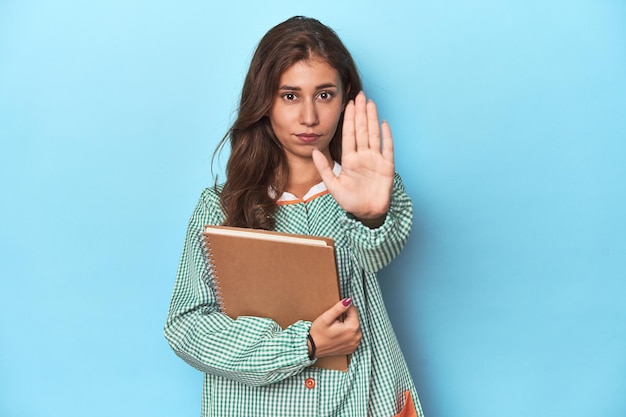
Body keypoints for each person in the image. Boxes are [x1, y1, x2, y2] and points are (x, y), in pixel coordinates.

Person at [164, 16, 425, 417]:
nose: (308, 117)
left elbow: (381, 253)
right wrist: (305, 344)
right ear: (264, 101)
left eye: (324, 95)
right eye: (290, 96)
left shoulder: (369, 185)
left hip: (363, 397)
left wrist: (371, 215)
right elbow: (186, 326)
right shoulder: (219, 206)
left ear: (345, 99)